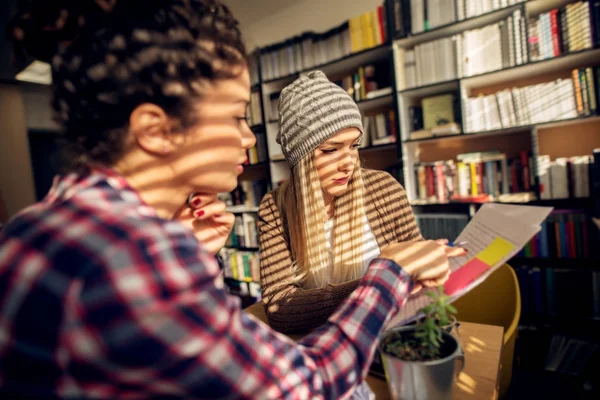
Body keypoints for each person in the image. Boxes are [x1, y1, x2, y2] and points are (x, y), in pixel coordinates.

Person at [0, 1, 458, 398]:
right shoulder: (132, 258)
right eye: (237, 117)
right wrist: (389, 275)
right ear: (156, 130)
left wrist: (196, 259)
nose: (248, 141)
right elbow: (307, 386)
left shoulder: (30, 229)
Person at [258, 71, 458, 333]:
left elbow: (421, 280)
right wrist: (380, 281)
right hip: (324, 344)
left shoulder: (384, 189)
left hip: (391, 335)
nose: (348, 163)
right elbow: (280, 310)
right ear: (299, 158)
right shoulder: (275, 208)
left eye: (354, 146)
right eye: (331, 150)